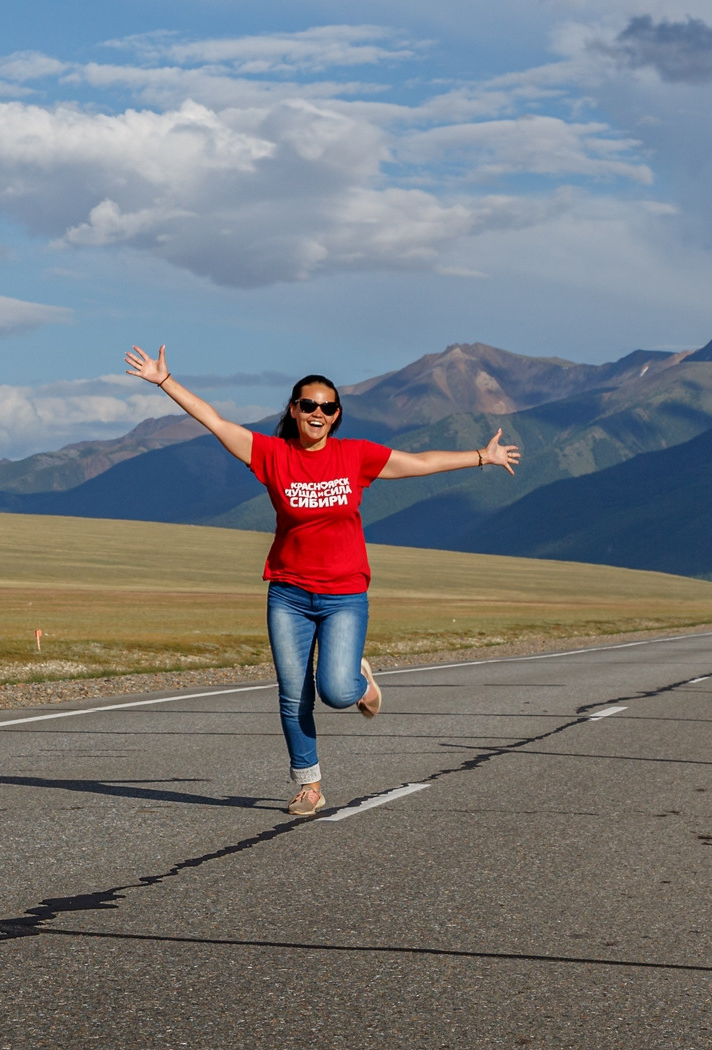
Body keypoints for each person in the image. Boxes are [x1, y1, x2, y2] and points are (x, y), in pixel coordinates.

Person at [125, 347, 522, 817]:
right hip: (289, 594)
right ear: (293, 410)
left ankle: (360, 680)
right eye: (308, 405)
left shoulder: (355, 457)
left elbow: (419, 462)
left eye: (327, 407)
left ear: (336, 416)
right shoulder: (270, 454)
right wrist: (164, 379)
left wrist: (482, 456)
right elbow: (214, 421)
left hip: (345, 594)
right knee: (294, 692)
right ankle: (308, 785)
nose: (317, 412)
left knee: (336, 690)